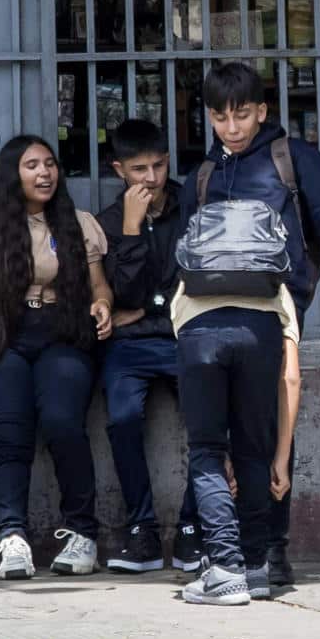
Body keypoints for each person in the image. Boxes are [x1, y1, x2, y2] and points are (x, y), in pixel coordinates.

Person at [177, 61, 320, 588]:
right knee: (223, 435)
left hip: (279, 307)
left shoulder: (293, 160)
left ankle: (270, 549)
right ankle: (236, 551)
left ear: (262, 111)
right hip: (212, 315)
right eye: (220, 117)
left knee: (270, 428)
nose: (232, 127)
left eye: (241, 115)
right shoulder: (204, 173)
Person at [0, 135, 115, 580]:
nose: (44, 173)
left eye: (50, 164)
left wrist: (102, 304)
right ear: (12, 175)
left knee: (63, 425)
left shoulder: (77, 223)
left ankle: (82, 534)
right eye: (32, 165)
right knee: (8, 440)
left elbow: (99, 284)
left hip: (62, 334)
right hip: (1, 336)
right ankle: (12, 539)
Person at [171, 209, 305, 606]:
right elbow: (291, 379)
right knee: (253, 449)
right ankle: (255, 567)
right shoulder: (277, 290)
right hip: (260, 334)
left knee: (207, 452)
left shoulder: (187, 285)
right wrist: (280, 457)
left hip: (199, 334)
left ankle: (225, 569)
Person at [99, 119, 201, 574]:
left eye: (158, 166)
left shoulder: (194, 207)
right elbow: (125, 297)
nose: (151, 178)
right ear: (119, 169)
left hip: (185, 335)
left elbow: (196, 278)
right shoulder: (108, 222)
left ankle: (192, 528)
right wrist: (133, 229)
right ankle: (141, 529)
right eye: (139, 169)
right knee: (122, 420)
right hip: (131, 344)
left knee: (210, 421)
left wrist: (149, 307)